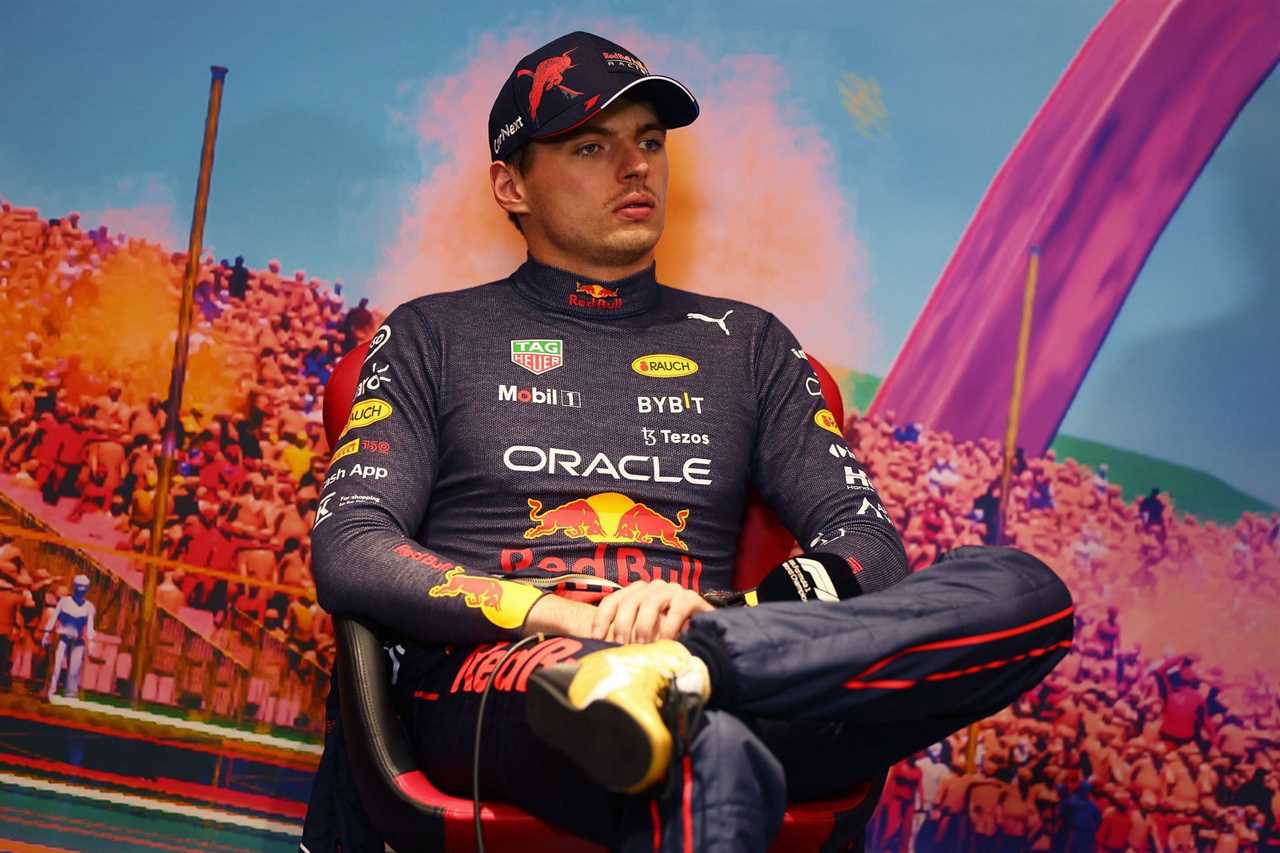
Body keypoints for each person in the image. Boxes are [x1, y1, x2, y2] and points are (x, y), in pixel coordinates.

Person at [302, 31, 1073, 852]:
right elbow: (351, 546)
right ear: (510, 183)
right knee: (699, 741)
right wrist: (565, 617)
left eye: (650, 142)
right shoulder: (432, 335)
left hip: (728, 657)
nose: (635, 167)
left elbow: (870, 548)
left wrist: (720, 624)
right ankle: (683, 683)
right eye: (591, 146)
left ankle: (703, 665)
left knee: (1025, 589)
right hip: (511, 672)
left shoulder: (750, 344)